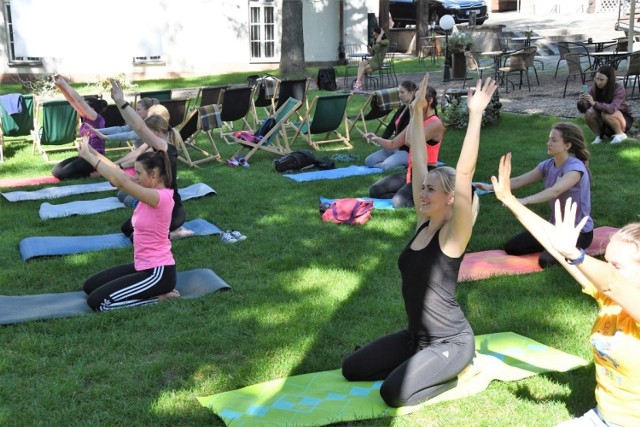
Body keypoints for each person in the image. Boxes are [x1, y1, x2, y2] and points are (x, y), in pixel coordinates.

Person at [342, 75, 498, 408]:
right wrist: (415, 115)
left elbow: (466, 173)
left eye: (429, 190)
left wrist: (475, 116)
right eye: (422, 188)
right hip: (416, 338)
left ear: (451, 198)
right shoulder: (422, 222)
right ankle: (418, 364)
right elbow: (420, 157)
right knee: (352, 369)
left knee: (392, 393)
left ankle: (457, 374)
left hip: (451, 341)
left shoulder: (454, 237)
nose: (421, 194)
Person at [491, 154, 640, 427]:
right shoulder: (610, 299)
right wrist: (511, 201)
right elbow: (560, 252)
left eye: (616, 265)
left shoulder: (621, 294)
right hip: (601, 419)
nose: (606, 269)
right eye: (607, 261)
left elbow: (610, 281)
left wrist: (577, 253)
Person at [77, 137, 179, 311]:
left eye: (138, 173)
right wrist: (91, 152)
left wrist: (89, 158)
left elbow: (120, 182)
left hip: (158, 272)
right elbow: (118, 173)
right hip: (142, 266)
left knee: (99, 303)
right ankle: (152, 291)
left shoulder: (161, 198)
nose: (135, 177)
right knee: (90, 286)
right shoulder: (149, 189)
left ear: (153, 174)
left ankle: (159, 298)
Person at [476, 122, 593, 269]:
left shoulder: (575, 169)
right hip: (554, 228)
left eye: (554, 140)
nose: (548, 143)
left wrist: (524, 201)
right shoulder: (548, 165)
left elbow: (554, 191)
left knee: (545, 261)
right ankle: (552, 245)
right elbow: (519, 180)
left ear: (567, 145)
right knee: (512, 247)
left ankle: (566, 248)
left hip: (578, 232)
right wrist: (490, 187)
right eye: (549, 139)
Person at [107, 80, 187, 240]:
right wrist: (117, 102)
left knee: (134, 238)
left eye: (147, 133)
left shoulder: (166, 148)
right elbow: (135, 125)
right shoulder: (156, 148)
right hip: (151, 202)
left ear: (157, 132)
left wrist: (122, 102)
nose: (143, 136)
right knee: (126, 229)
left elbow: (140, 127)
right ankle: (168, 231)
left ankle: (175, 232)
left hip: (170, 209)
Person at [367, 84, 445, 208]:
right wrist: (377, 139)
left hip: (427, 173)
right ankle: (410, 194)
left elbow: (410, 142)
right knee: (375, 190)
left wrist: (413, 115)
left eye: (419, 99)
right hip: (411, 171)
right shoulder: (416, 121)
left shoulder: (435, 124)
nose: (415, 102)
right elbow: (393, 144)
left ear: (430, 101)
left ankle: (421, 197)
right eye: (415, 99)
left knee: (398, 202)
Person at [51, 76, 108, 180]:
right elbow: (73, 102)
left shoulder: (96, 119)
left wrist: (65, 84)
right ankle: (91, 172)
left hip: (95, 158)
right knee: (55, 171)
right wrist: (61, 88)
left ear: (92, 109)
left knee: (63, 175)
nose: (79, 108)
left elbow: (79, 100)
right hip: (85, 156)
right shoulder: (85, 118)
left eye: (83, 107)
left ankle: (96, 173)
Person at [363, 80, 417, 171]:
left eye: (402, 92)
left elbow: (404, 137)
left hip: (406, 151)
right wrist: (379, 139)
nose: (399, 95)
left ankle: (404, 165)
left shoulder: (414, 112)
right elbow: (390, 127)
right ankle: (390, 164)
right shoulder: (402, 108)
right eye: (398, 92)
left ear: (411, 93)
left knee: (386, 166)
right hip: (394, 147)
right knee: (369, 161)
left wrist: (381, 141)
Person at [577, 64, 634, 145]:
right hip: (604, 117)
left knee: (606, 113)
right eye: (596, 79)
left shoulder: (618, 88)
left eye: (601, 79)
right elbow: (584, 109)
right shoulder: (593, 89)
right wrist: (581, 102)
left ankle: (621, 134)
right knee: (588, 113)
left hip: (622, 117)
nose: (598, 82)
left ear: (609, 80)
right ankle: (599, 136)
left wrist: (593, 103)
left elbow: (612, 108)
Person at [91, 97, 160, 151]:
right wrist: (98, 130)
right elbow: (122, 129)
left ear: (147, 111)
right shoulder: (141, 122)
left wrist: (106, 137)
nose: (135, 112)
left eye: (138, 110)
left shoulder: (149, 125)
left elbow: (129, 135)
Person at [352, 27, 389, 92]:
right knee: (361, 63)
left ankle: (358, 86)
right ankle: (358, 84)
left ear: (381, 34)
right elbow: (372, 53)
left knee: (362, 69)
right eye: (374, 35)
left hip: (378, 62)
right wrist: (369, 50)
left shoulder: (386, 41)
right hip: (372, 60)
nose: (375, 37)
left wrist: (381, 34)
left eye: (376, 35)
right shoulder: (375, 43)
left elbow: (378, 41)